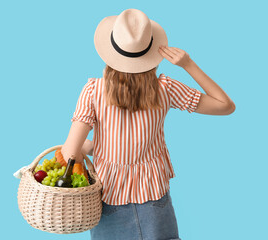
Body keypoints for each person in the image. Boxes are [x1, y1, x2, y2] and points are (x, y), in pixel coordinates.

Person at [60, 8, 235, 240]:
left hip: (108, 198)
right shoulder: (166, 88)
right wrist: (188, 63)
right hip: (154, 195)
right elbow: (225, 105)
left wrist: (95, 147)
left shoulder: (93, 91)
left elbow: (71, 152)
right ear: (150, 51)